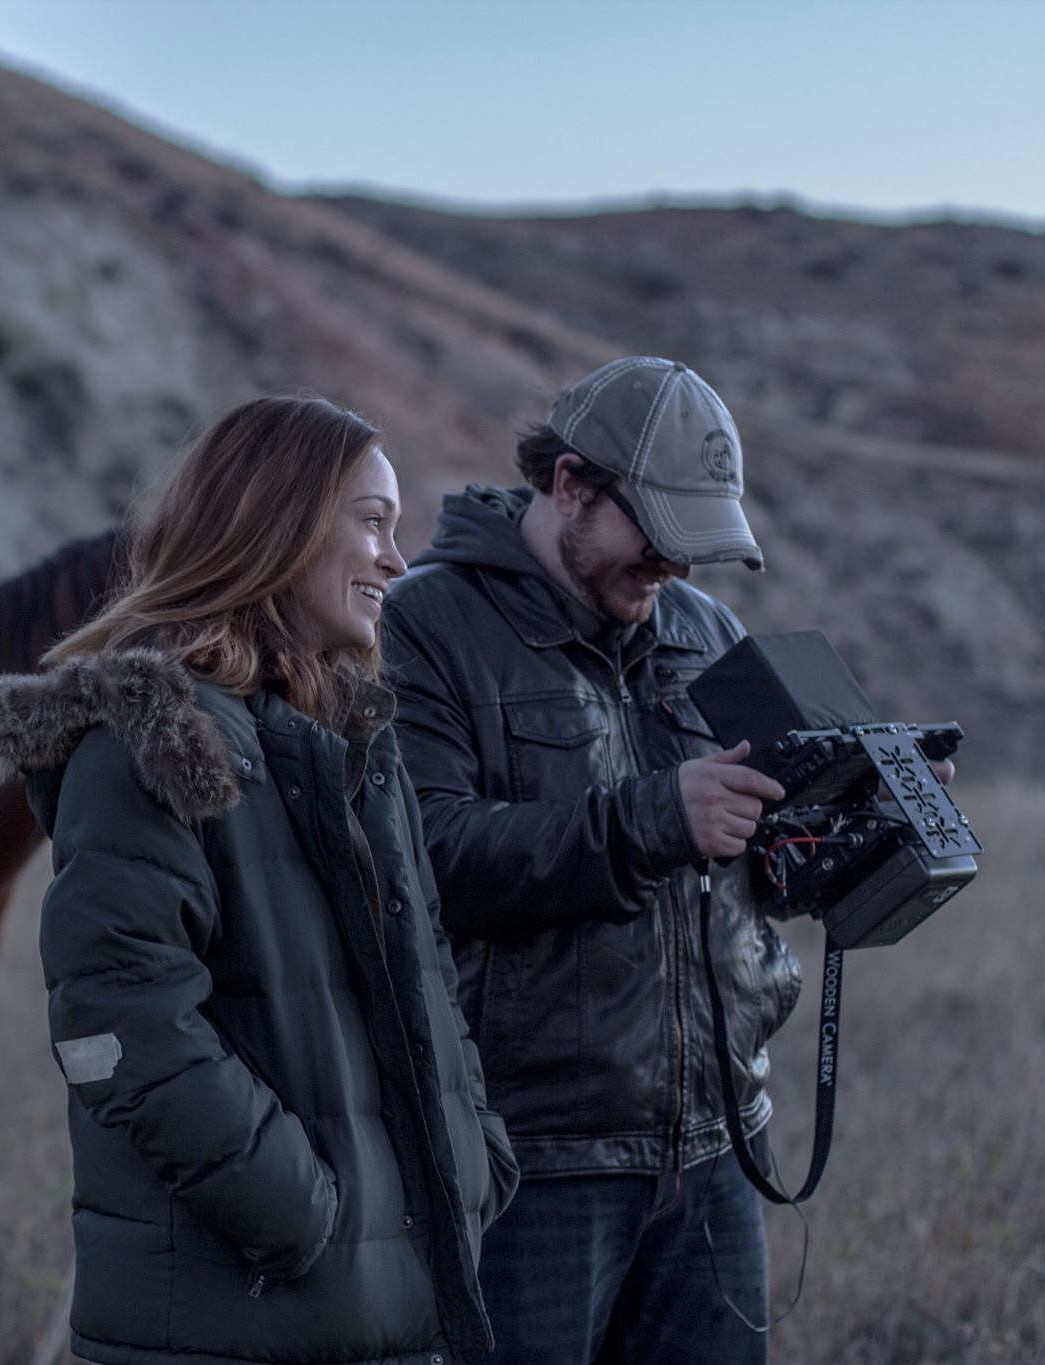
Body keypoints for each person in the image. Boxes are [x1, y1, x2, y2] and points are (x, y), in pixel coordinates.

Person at [0, 395, 518, 1365]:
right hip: (233, 1326)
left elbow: (423, 980)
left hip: (387, 1312)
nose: (397, 560)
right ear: (276, 524)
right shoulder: (156, 739)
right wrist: (303, 1216)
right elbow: (117, 1026)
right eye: (373, 523)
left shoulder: (350, 745)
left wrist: (474, 1162)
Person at [381, 357, 811, 1364]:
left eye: (696, 545)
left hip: (716, 1148)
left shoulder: (706, 633)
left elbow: (751, 876)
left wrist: (844, 835)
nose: (675, 570)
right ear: (569, 483)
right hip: (532, 1163)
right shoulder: (422, 626)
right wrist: (648, 819)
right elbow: (422, 860)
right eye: (658, 537)